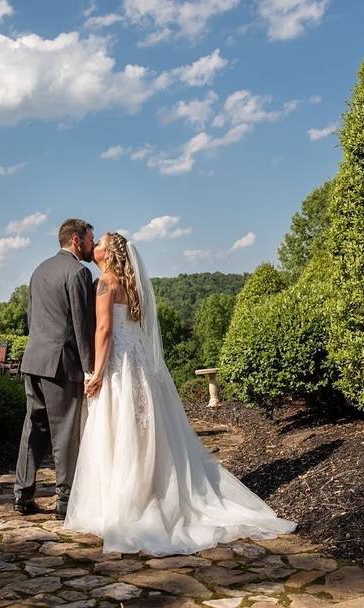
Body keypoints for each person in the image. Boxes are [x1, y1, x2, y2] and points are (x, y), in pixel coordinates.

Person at [63, 231, 297, 555]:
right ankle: (152, 491)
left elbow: (104, 331)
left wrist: (98, 372)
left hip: (119, 364)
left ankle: (125, 503)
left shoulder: (104, 283)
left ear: (109, 253)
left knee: (121, 430)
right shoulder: (133, 285)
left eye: (100, 243)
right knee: (148, 432)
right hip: (141, 363)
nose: (95, 246)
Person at [13, 218, 96, 520]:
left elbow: (33, 318)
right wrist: (90, 368)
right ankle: (65, 500)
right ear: (76, 240)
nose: (92, 245)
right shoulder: (78, 272)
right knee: (65, 433)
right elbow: (81, 324)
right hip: (61, 364)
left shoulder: (38, 271)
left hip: (33, 360)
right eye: (90, 239)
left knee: (33, 428)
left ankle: (22, 494)